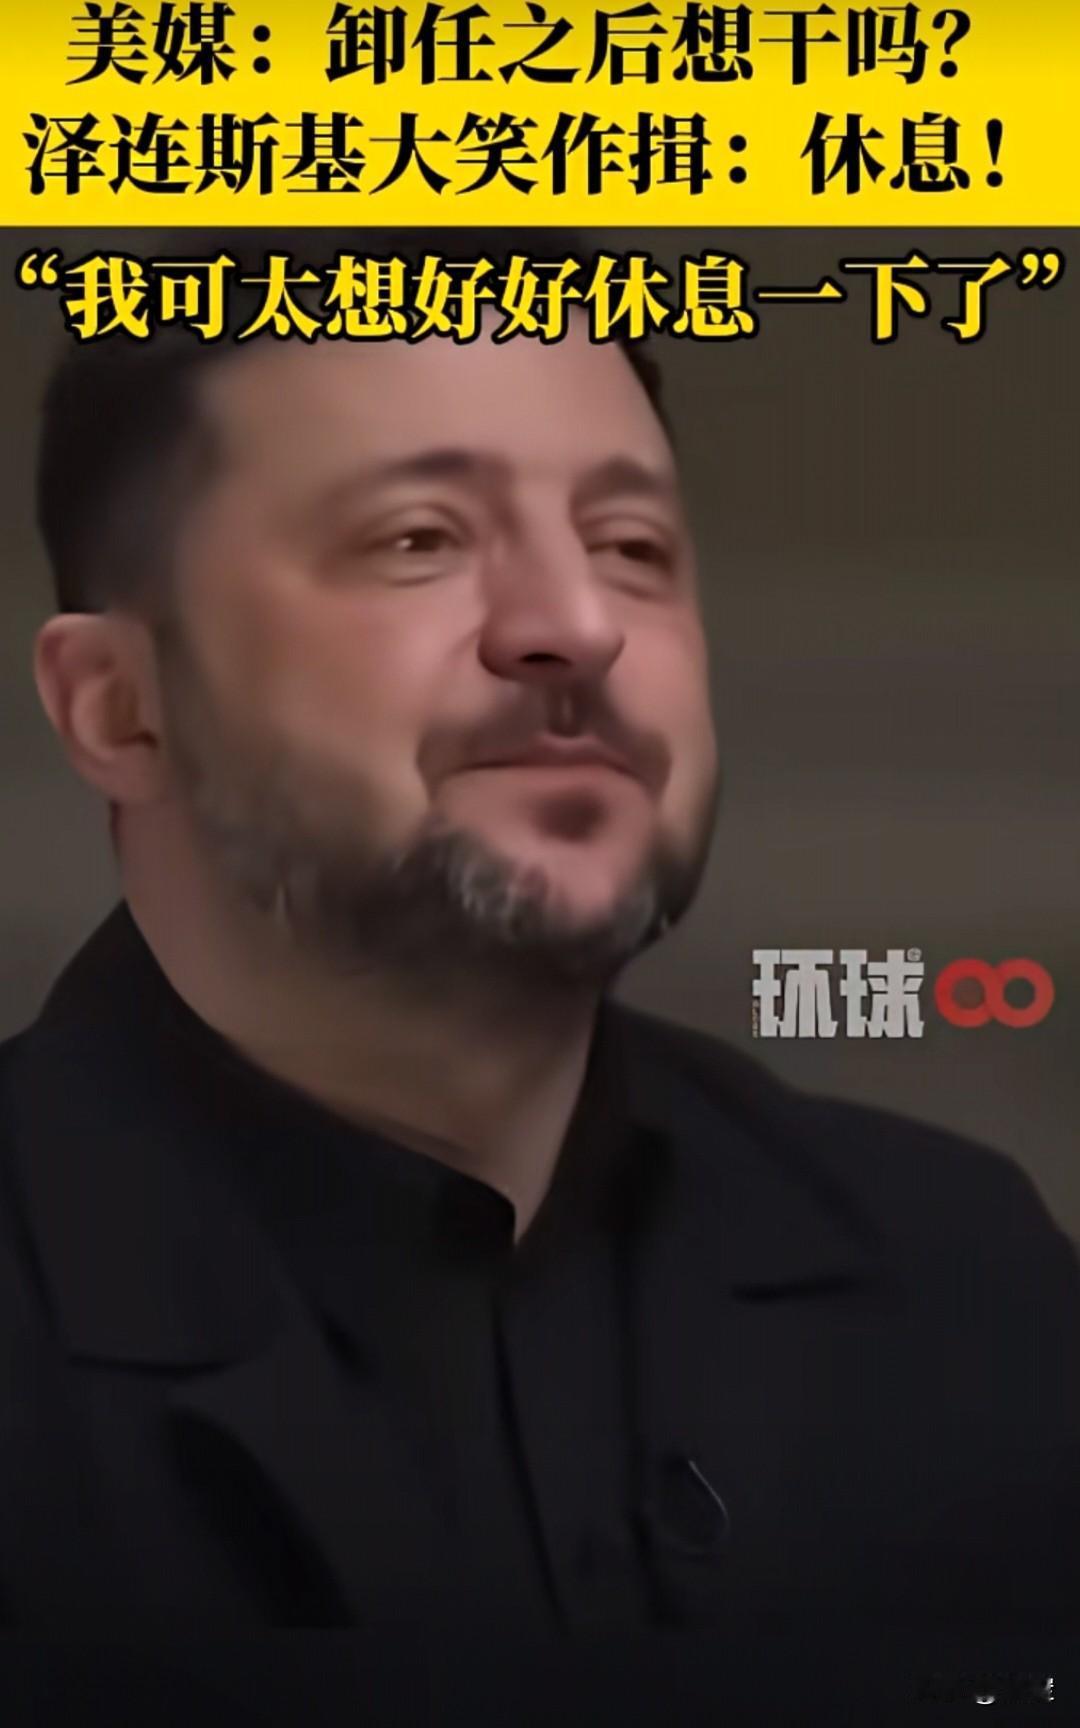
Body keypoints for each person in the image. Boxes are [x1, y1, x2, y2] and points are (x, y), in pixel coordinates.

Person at [2, 230, 1078, 1714]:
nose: (577, 626)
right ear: (119, 708)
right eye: (417, 539)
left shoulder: (964, 1282)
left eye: (632, 548)